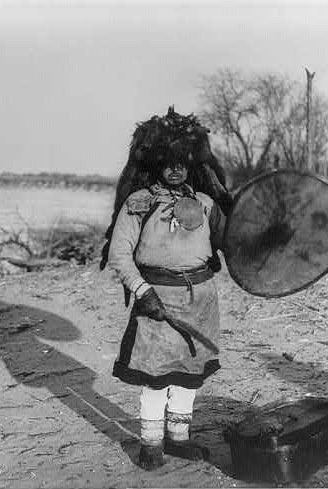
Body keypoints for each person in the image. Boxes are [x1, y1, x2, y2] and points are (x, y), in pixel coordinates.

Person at [104, 107, 230, 470]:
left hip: (201, 300)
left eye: (182, 162)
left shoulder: (206, 204)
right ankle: (152, 444)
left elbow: (231, 244)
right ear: (156, 163)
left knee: (190, 374)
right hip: (156, 299)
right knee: (156, 377)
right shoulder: (139, 203)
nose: (175, 169)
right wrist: (142, 291)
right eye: (168, 162)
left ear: (192, 164)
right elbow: (119, 254)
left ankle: (178, 440)